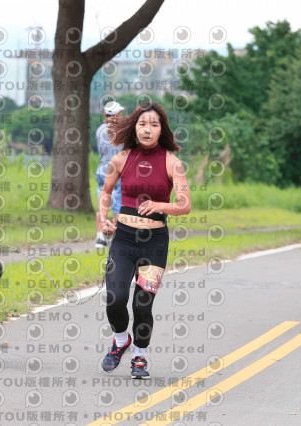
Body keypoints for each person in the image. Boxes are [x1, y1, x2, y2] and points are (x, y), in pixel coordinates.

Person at [97, 101, 191, 379]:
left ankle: (140, 355)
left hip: (155, 244)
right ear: (134, 127)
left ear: (162, 129)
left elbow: (185, 204)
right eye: (142, 124)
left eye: (154, 124)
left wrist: (161, 206)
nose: (148, 129)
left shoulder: (172, 163)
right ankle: (120, 340)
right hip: (123, 240)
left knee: (142, 303)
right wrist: (103, 219)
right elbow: (106, 192)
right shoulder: (121, 158)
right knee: (115, 297)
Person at [95, 101, 125, 248]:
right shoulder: (122, 130)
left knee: (102, 204)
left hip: (101, 170)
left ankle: (100, 237)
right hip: (117, 172)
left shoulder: (99, 130)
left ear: (105, 114)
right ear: (117, 114)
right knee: (117, 206)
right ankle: (114, 238)